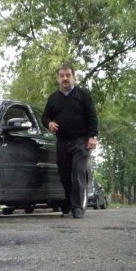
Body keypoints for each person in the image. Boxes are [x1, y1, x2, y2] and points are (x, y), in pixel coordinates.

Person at [42, 62, 98, 219]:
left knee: (77, 172)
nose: (65, 78)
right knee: (64, 174)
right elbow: (45, 117)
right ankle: (67, 205)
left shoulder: (83, 95)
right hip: (62, 142)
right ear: (57, 78)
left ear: (74, 76)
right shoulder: (53, 98)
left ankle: (78, 207)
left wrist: (93, 136)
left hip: (81, 141)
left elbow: (92, 116)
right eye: (62, 76)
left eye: (68, 75)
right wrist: (49, 123)